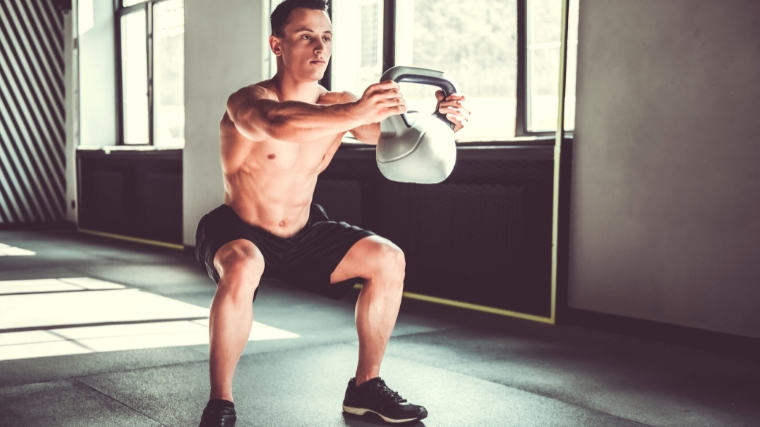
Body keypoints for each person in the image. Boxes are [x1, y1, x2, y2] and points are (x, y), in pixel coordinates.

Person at [195, 0, 470, 425]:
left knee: (387, 258)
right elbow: (277, 123)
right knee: (245, 263)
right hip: (240, 228)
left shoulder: (339, 103)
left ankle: (365, 388)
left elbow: (398, 139)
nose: (319, 48)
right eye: (306, 36)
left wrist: (442, 122)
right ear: (277, 44)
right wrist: (354, 111)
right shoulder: (247, 101)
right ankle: (220, 404)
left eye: (326, 38)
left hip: (305, 230)